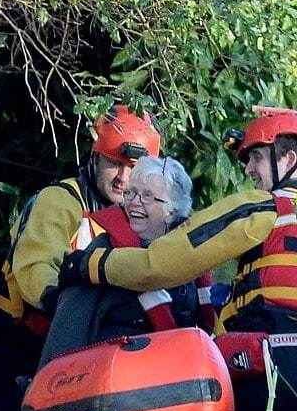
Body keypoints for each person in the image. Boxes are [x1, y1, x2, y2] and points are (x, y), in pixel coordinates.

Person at [60, 107, 297, 411]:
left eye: (255, 158)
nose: (248, 171)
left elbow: (157, 265)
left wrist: (90, 265)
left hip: (264, 377)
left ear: (287, 158)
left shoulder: (261, 209)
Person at [0, 104, 162, 411]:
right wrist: (65, 302)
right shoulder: (60, 202)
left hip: (83, 361)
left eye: (135, 170)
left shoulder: (150, 217)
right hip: (14, 355)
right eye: (114, 165)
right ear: (94, 158)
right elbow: (36, 266)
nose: (124, 178)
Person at [39, 156, 215, 364]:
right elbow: (68, 330)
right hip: (112, 372)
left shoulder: (192, 251)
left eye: (147, 196)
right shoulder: (101, 251)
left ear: (171, 211)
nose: (134, 203)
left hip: (178, 372)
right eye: (131, 193)